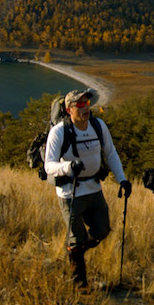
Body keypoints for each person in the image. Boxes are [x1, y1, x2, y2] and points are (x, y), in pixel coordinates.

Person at [43, 88, 131, 288]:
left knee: (102, 229)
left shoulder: (98, 126)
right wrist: (68, 167)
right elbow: (49, 165)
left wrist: (122, 179)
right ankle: (79, 285)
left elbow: (110, 153)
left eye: (87, 104)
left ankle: (76, 250)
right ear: (69, 109)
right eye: (79, 105)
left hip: (93, 188)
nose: (85, 108)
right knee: (76, 238)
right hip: (70, 193)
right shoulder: (59, 132)